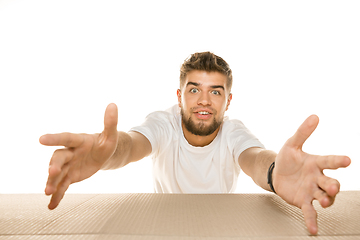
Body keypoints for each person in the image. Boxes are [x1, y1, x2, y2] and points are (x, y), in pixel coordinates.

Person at [40, 51, 351, 235]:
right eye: (194, 90)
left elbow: (255, 159)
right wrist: (106, 155)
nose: (204, 101)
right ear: (179, 96)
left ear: (228, 101)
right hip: (164, 229)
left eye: (215, 92)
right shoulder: (164, 123)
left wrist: (273, 173)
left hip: (222, 230)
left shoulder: (233, 132)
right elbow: (131, 145)